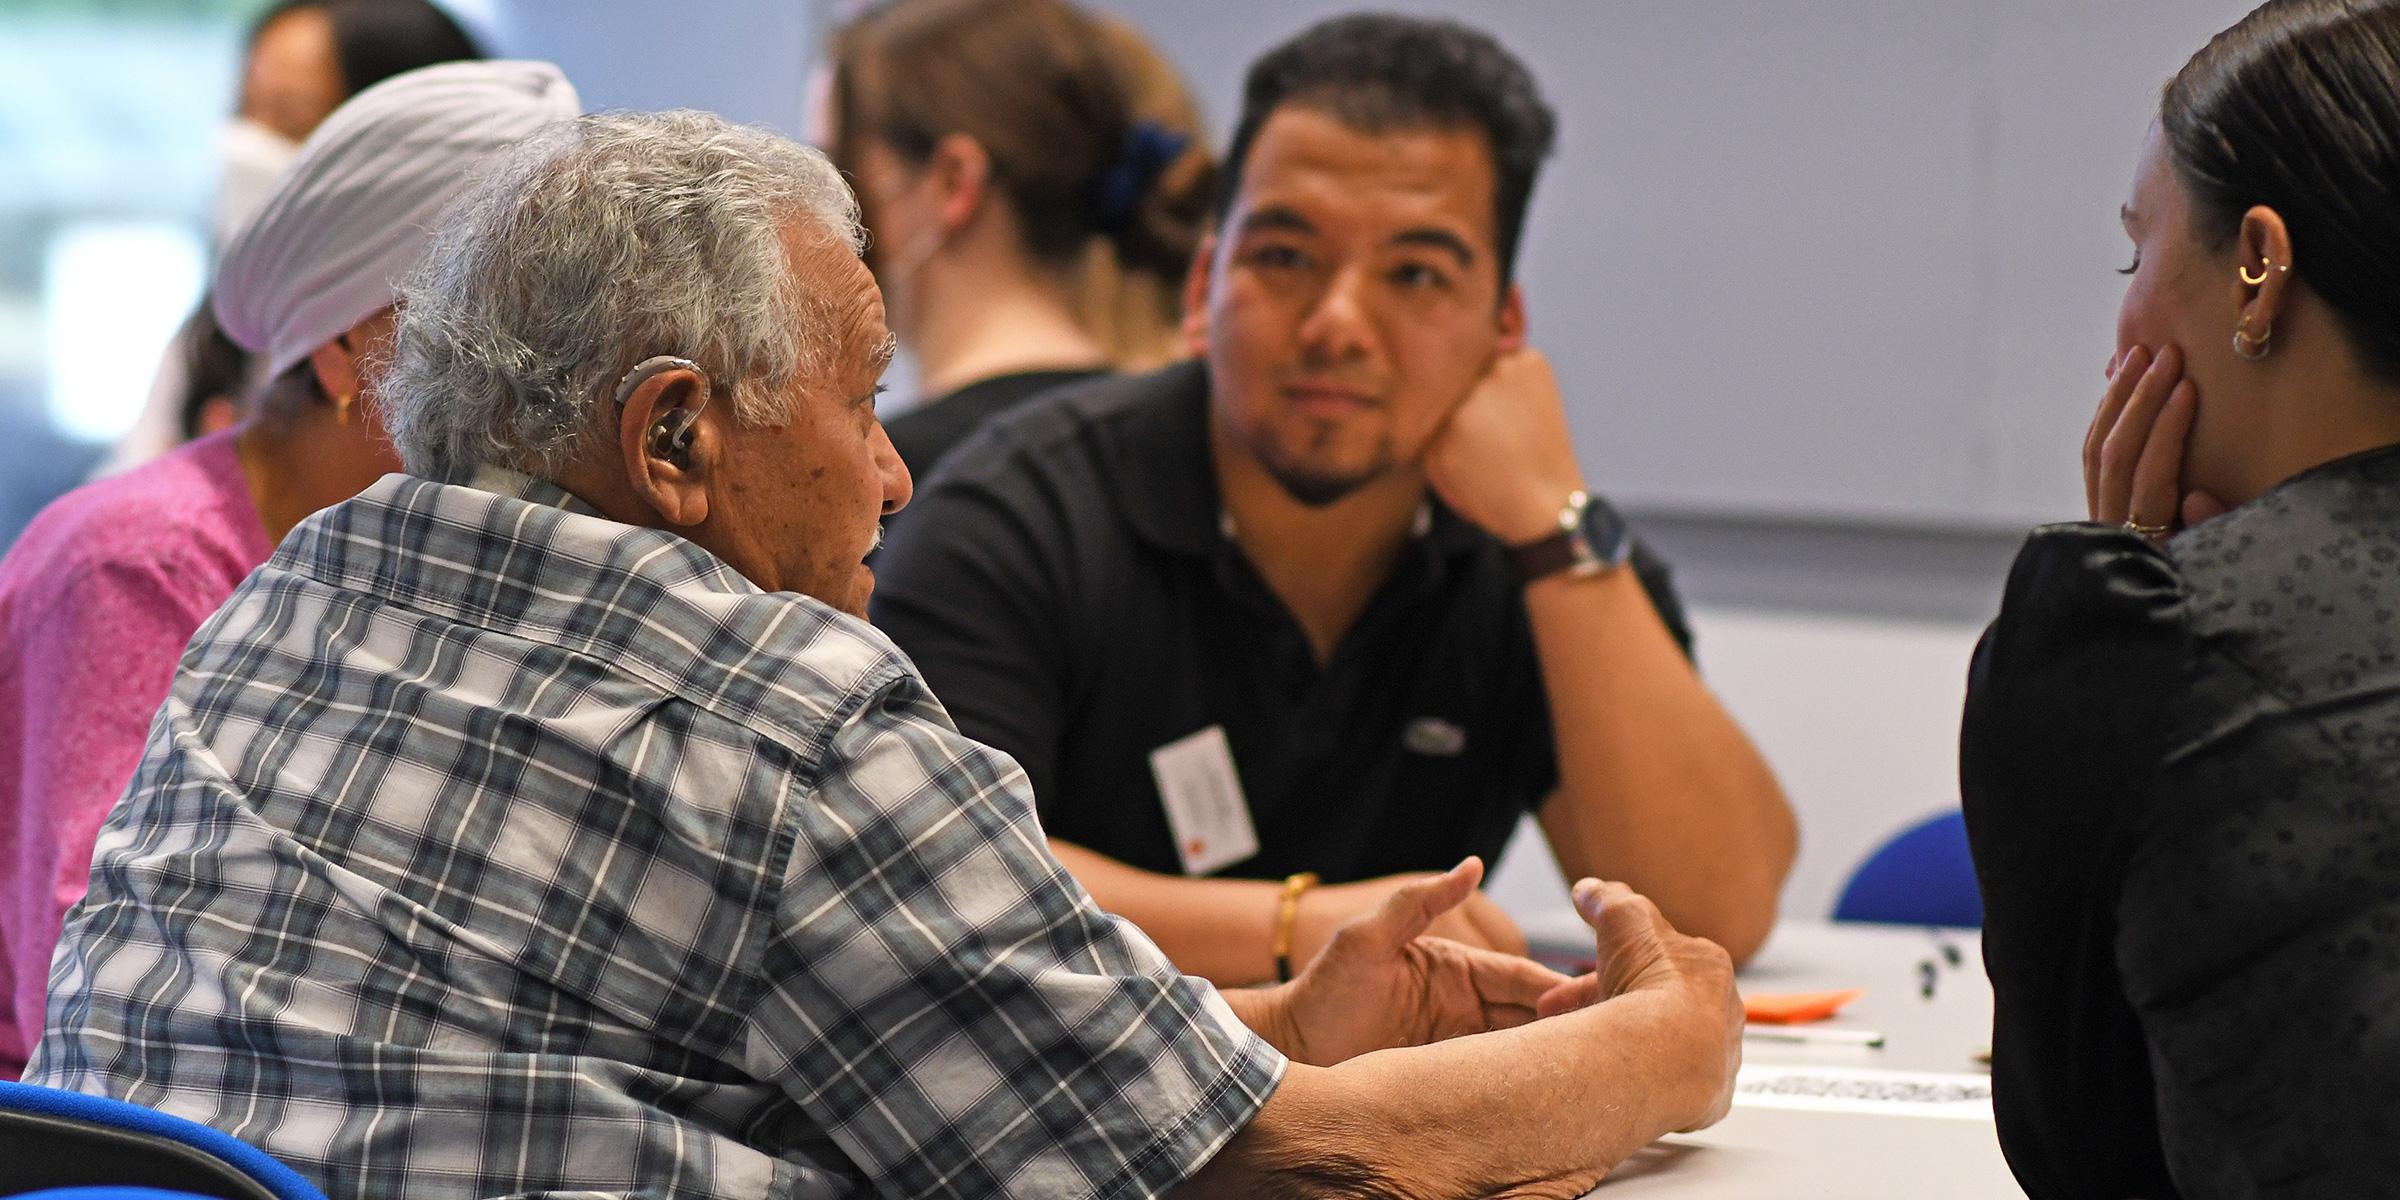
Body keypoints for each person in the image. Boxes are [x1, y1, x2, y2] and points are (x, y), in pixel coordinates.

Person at [27, 108, 1743, 1198]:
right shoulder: (786, 712)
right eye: (862, 404)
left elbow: (925, 1048)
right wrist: (1665, 1052)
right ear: (676, 439)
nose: (898, 473)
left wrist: (1288, 1018)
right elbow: (1291, 1176)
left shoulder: (285, 602)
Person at [871, 13, 1797, 984]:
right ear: (1204, 285)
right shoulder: (1018, 514)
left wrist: (1554, 530)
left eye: (1416, 274)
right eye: (1284, 256)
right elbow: (943, 871)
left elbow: (1712, 910)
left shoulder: (1531, 550)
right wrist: (1297, 927)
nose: (1338, 323)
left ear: (1503, 326)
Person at [0, 60, 579, 1078]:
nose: (537, 393)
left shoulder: (437, 554)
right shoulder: (139, 565)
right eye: (495, 341)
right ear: (349, 350)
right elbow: (90, 983)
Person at [1960, 1, 2400, 1194]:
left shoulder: (2141, 643)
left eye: (2135, 255)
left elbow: (2084, 1156)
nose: (2121, 331)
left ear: (2260, 268)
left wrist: (2125, 592)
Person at [822, 0, 1214, 482]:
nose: (821, 208)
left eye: (836, 166)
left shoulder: (882, 482)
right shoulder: (1189, 448)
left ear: (953, 182)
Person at [101, 0, 486, 477]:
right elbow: (128, 475)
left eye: (291, 119)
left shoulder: (458, 358)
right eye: (245, 110)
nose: (245, 148)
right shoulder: (216, 329)